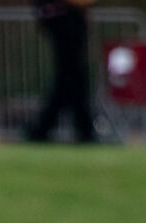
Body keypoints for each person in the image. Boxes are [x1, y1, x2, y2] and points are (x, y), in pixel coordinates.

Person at [28, 0, 98, 143]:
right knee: (72, 76)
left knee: (70, 77)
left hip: (63, 16)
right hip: (63, 17)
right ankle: (81, 128)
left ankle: (44, 127)